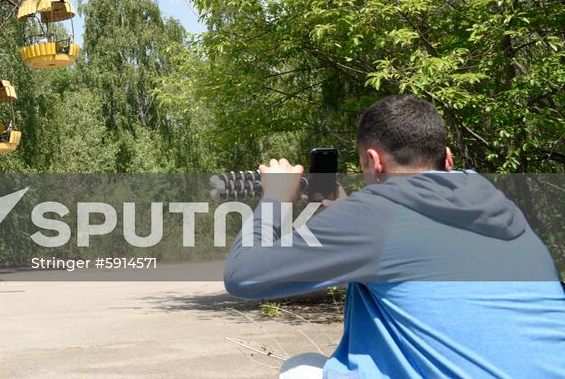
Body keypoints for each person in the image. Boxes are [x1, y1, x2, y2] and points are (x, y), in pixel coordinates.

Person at [225, 94, 565, 378]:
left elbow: (243, 275)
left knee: (300, 369)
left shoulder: (375, 216)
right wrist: (343, 210)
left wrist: (275, 198)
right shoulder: (507, 215)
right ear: (448, 159)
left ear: (374, 162)